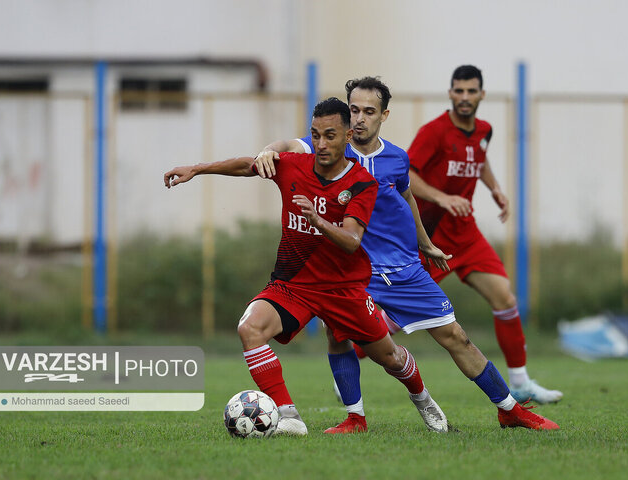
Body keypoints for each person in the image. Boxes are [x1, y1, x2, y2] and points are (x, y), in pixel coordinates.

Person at [255, 77, 559, 433]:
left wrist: (425, 242)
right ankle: (356, 418)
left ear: (384, 114)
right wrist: (266, 150)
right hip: (354, 271)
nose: (359, 119)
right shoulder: (329, 147)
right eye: (353, 110)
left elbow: (408, 198)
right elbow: (289, 145)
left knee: (455, 337)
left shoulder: (398, 159)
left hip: (402, 268)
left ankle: (509, 409)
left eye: (369, 111)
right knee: (337, 335)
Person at [164, 97, 448, 436]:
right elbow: (246, 166)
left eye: (330, 135)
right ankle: (289, 417)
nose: (321, 143)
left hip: (344, 288)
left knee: (390, 358)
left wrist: (316, 218)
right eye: (315, 135)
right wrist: (197, 169)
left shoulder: (360, 183)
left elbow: (352, 241)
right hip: (293, 284)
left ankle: (424, 400)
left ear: (347, 136)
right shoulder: (294, 165)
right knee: (249, 328)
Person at [407, 65, 563, 404]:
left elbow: (478, 158)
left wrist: (495, 189)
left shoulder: (484, 130)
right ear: (450, 93)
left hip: (465, 233)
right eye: (458, 91)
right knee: (391, 316)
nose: (464, 97)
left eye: (471, 91)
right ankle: (349, 353)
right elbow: (406, 174)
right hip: (430, 237)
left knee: (504, 298)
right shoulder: (433, 132)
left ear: (481, 95)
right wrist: (441, 197)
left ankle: (519, 383)